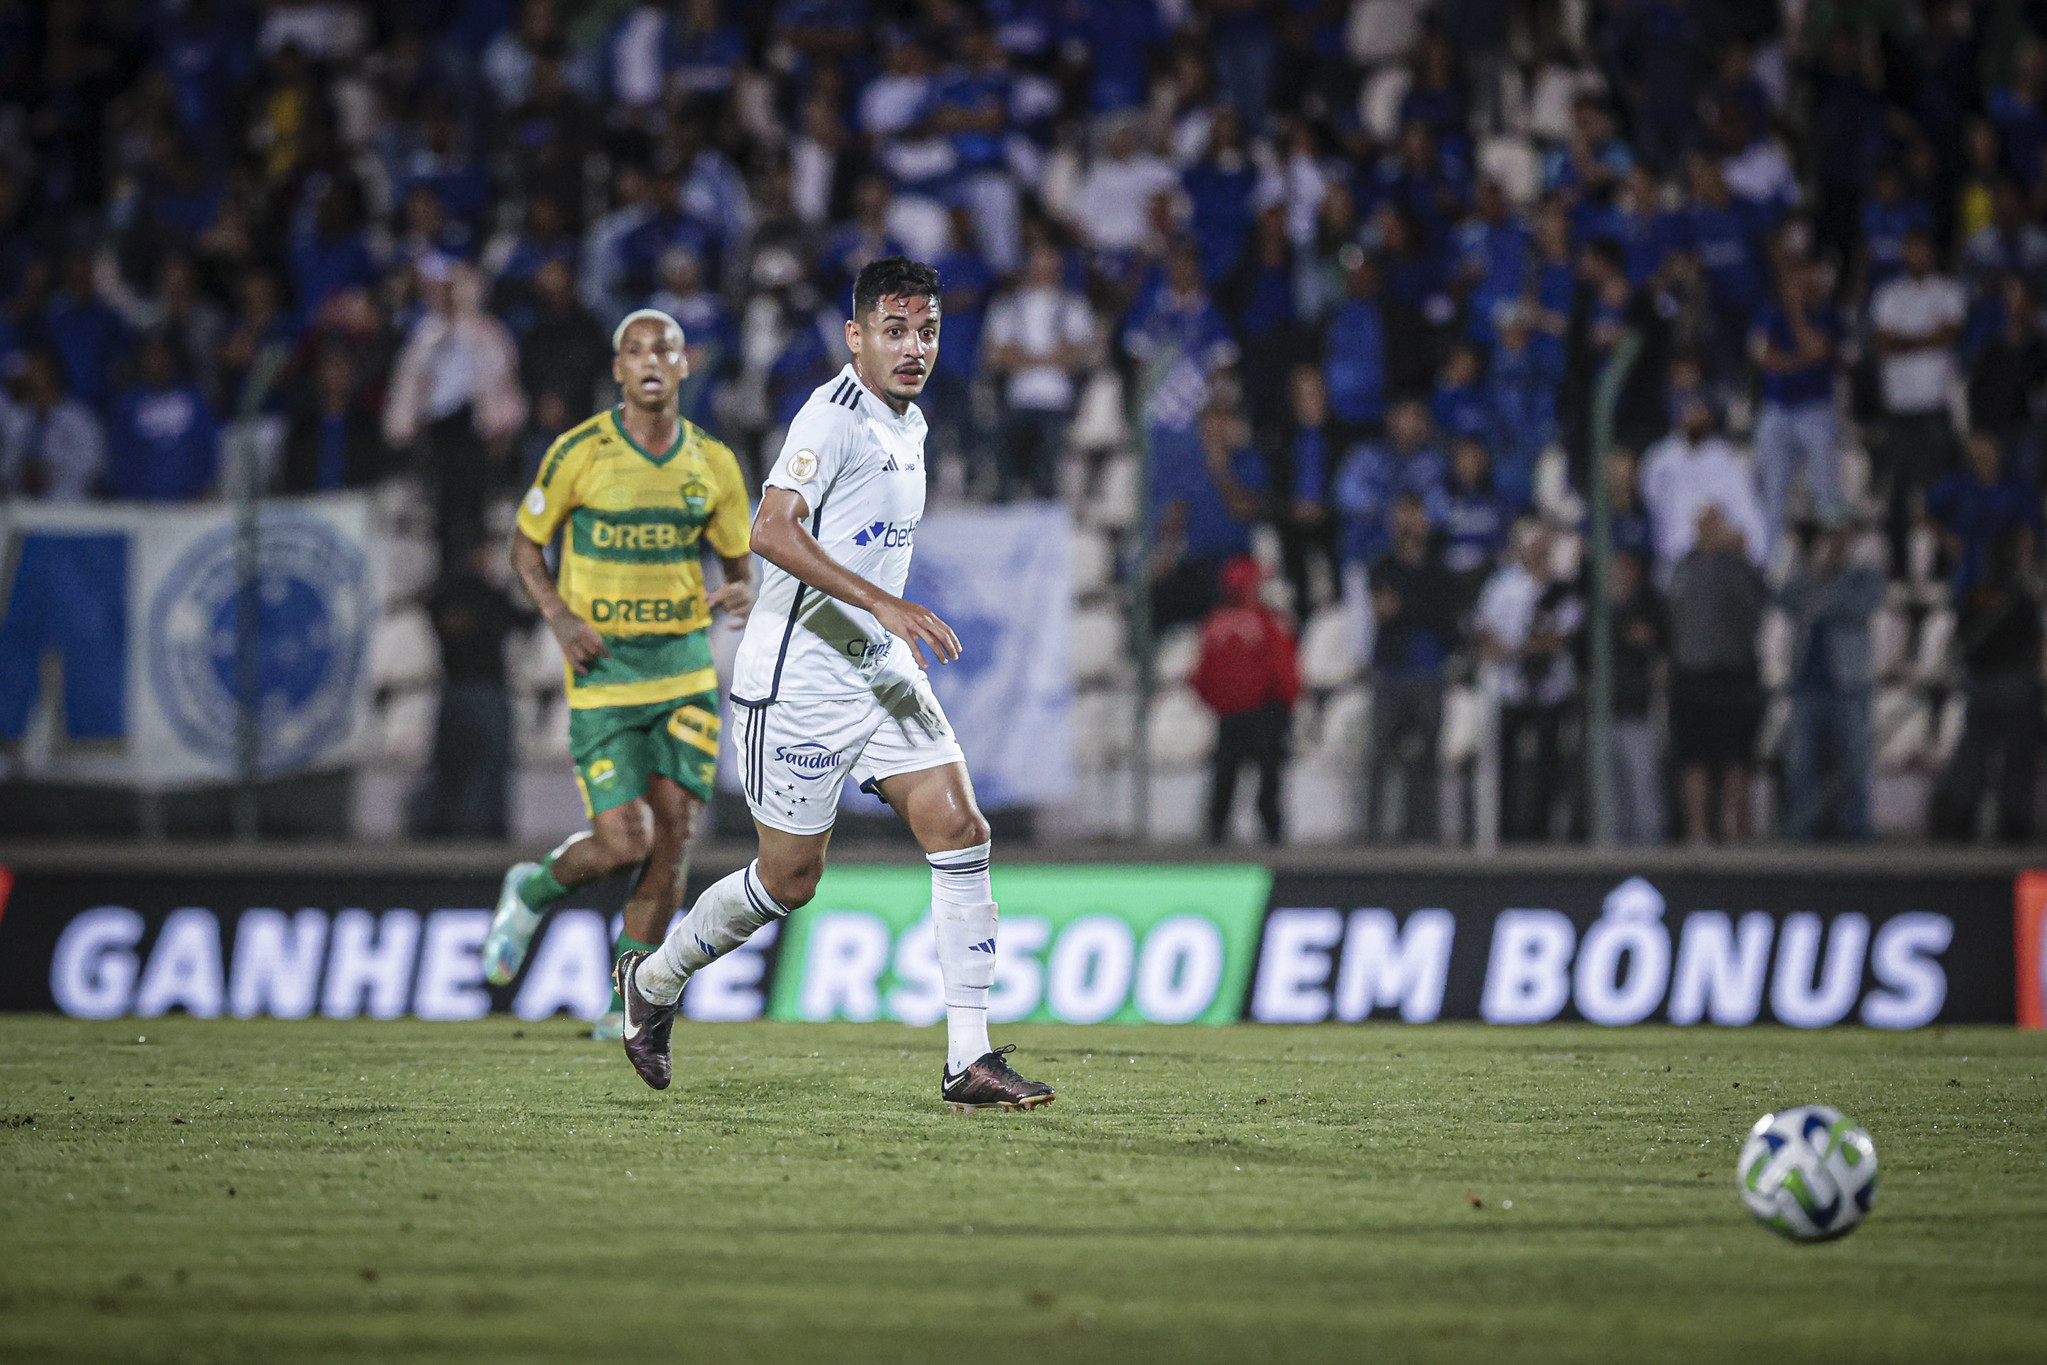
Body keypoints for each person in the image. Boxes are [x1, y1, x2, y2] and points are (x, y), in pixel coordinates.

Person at [616, 257, 1055, 1113]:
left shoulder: (913, 421)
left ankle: (968, 1059)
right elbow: (768, 527)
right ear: (855, 337)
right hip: (800, 685)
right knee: (787, 881)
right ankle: (656, 979)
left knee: (962, 829)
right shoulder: (835, 414)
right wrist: (883, 603)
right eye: (893, 330)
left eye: (926, 330)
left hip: (875, 668)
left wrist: (858, 610)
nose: (913, 347)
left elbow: (841, 539)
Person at [484, 309, 756, 1042]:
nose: (650, 361)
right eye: (635, 350)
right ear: (617, 369)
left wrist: (742, 590)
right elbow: (524, 545)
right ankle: (533, 887)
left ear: (683, 364)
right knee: (622, 843)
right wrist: (561, 620)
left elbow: (741, 570)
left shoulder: (714, 463)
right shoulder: (580, 451)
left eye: (663, 350)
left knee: (673, 838)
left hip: (682, 673)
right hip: (604, 677)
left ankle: (628, 1005)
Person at [1932, 529, 2044, 841]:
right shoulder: (2023, 599)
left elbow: (1961, 640)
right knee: (2015, 760)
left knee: (1976, 755)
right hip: (2015, 685)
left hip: (1982, 684)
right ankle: (2014, 825)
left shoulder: (1975, 596)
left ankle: (1961, 821)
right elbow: (2036, 645)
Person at [1476, 520, 1584, 842]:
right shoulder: (1502, 586)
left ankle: (1544, 831)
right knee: (1508, 765)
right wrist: (1517, 650)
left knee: (1549, 765)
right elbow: (1485, 632)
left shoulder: (1562, 589)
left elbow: (1563, 636)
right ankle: (1507, 831)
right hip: (1512, 688)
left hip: (1552, 689)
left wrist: (1526, 647)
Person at [1666, 505, 1768, 844]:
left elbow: (1757, 610)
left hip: (1734, 675)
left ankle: (1737, 832)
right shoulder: (1684, 567)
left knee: (1737, 760)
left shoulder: (1741, 568)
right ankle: (1698, 833)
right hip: (1693, 676)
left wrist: (1741, 557)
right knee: (1694, 759)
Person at [416, 541, 533, 839]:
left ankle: (450, 824)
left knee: (455, 762)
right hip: (482, 691)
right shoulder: (487, 596)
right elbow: (524, 621)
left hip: (456, 689)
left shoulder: (445, 597)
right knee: (485, 762)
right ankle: (480, 826)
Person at [1778, 519, 1884, 841]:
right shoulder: (1807, 575)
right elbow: (1785, 599)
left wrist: (1823, 585)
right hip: (1807, 686)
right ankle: (1803, 834)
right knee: (1801, 766)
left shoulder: (1862, 577)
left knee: (1852, 765)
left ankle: (1856, 833)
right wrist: (1814, 570)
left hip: (1848, 686)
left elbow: (1858, 607)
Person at [1365, 493, 1462, 842]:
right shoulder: (1382, 567)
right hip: (1390, 669)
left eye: (1414, 515)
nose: (1408, 524)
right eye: (1401, 515)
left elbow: (1442, 617)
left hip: (1428, 670)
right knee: (1380, 757)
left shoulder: (1440, 570)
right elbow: (1384, 610)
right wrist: (1417, 609)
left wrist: (1407, 607)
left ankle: (1423, 833)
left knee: (1426, 760)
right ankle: (1375, 834)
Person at [1870, 228, 1966, 572]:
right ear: (1904, 253)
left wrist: (1905, 342)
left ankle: (1944, 566)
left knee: (1942, 492)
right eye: (1912, 250)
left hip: (1936, 407)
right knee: (1897, 494)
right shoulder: (1889, 294)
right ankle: (1898, 565)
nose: (1918, 256)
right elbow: (1883, 344)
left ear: (1933, 253)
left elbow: (1948, 338)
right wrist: (1926, 339)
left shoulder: (1949, 291)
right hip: (1899, 409)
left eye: (1923, 249)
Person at [1190, 555, 1298, 845]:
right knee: (1268, 777)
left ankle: (1216, 830)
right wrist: (1286, 702)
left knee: (1225, 775)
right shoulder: (1268, 622)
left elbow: (1202, 675)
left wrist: (1219, 703)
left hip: (1230, 714)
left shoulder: (1214, 624)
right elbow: (1283, 670)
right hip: (1266, 711)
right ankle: (1271, 833)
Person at [1602, 549, 1665, 844]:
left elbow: (1660, 644)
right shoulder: (1600, 609)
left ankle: (1650, 851)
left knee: (1643, 785)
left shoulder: (1648, 605)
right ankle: (1615, 852)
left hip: (1638, 709)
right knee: (1612, 792)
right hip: (1604, 711)